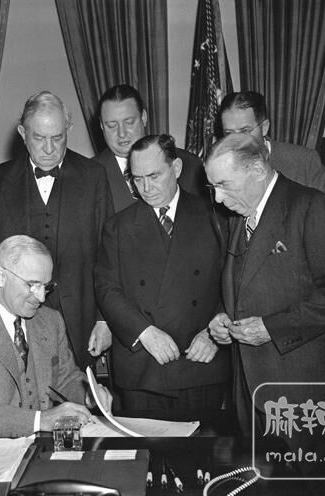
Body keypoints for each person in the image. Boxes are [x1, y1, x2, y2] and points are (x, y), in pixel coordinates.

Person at [204, 133, 325, 434]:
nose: (219, 199)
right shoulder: (238, 216)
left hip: (301, 392)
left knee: (303, 467)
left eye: (224, 185)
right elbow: (238, 283)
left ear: (258, 170)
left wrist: (272, 328)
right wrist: (221, 315)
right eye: (213, 188)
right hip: (248, 389)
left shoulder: (313, 207)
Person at [0, 91, 113, 366]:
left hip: (79, 322)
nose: (49, 148)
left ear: (69, 129)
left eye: (57, 138)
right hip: (13, 319)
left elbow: (109, 256)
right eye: (39, 138)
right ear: (22, 133)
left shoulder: (94, 176)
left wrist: (104, 319)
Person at [94, 134, 228, 420]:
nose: (146, 188)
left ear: (176, 168)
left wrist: (215, 333)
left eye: (154, 176)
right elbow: (107, 289)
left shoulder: (216, 217)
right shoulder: (118, 227)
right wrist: (145, 332)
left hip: (200, 360)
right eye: (137, 179)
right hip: (142, 368)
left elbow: (235, 282)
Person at [0, 235, 113, 437]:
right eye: (32, 285)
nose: (41, 297)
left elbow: (65, 378)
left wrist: (88, 395)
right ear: (1, 276)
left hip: (34, 444)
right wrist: (40, 420)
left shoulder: (51, 321)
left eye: (46, 286)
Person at [219, 91, 325, 211]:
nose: (237, 141)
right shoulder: (219, 170)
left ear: (264, 128)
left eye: (245, 131)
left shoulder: (304, 162)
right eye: (229, 133)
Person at [95, 84, 207, 214]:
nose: (122, 133)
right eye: (112, 125)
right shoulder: (89, 176)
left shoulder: (190, 165)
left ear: (143, 117)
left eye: (129, 122)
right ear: (101, 125)